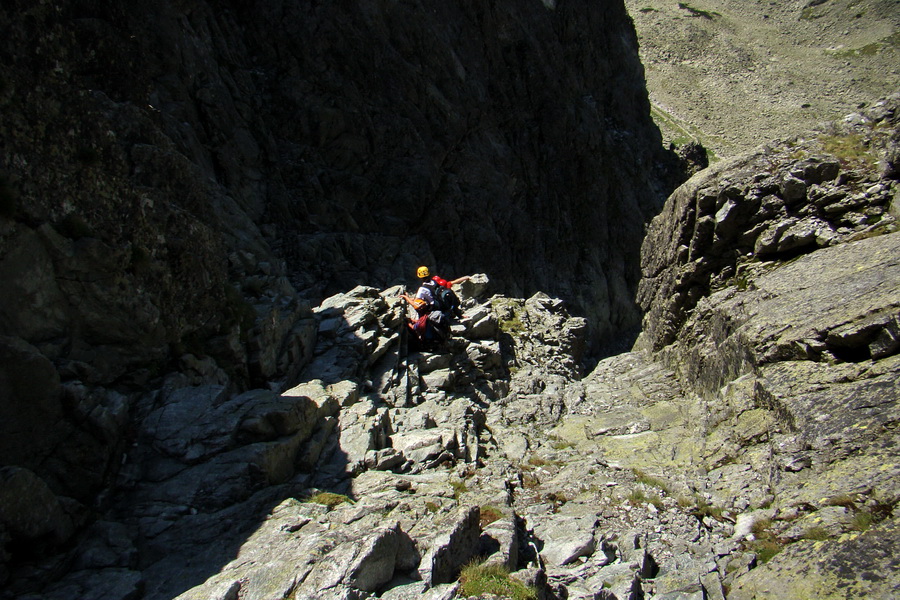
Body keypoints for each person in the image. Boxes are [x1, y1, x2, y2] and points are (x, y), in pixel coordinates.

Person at [399, 266, 471, 351]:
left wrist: (406, 298)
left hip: (433, 313)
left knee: (419, 324)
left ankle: (425, 339)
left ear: (419, 277)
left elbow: (416, 304)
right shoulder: (435, 282)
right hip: (444, 310)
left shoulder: (422, 289)